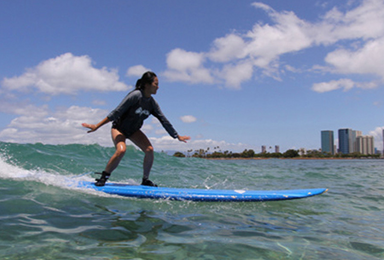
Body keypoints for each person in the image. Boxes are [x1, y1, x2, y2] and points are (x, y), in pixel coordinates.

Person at [82, 71, 190, 187]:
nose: (158, 87)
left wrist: (176, 136)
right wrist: (96, 126)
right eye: (156, 84)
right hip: (119, 128)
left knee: (149, 150)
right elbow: (116, 112)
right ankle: (104, 177)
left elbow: (163, 120)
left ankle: (145, 179)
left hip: (133, 130)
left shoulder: (152, 103)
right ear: (147, 85)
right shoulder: (135, 96)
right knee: (121, 150)